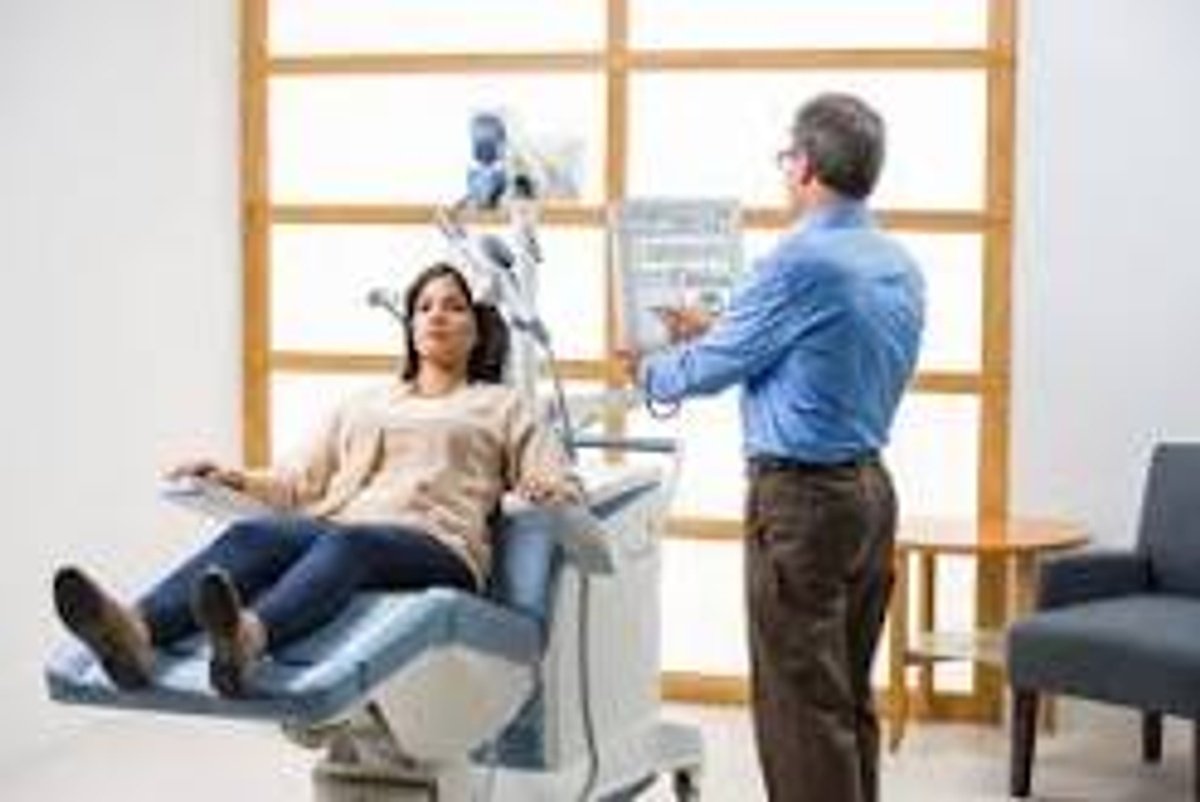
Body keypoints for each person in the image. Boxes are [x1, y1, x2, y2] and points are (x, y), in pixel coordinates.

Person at [52, 262, 580, 697]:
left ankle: (248, 638)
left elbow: (552, 477)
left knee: (351, 543)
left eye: (454, 306)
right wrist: (232, 477)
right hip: (345, 533)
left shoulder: (502, 405)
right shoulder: (364, 403)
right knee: (252, 535)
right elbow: (295, 480)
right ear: (411, 329)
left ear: (477, 330)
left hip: (438, 547)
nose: (436, 315)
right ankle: (134, 632)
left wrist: (545, 488)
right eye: (423, 307)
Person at [625, 93, 924, 802]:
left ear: (807, 166)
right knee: (845, 694)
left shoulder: (799, 261)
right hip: (870, 494)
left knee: (801, 709)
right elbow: (813, 349)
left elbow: (708, 370)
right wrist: (720, 328)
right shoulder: (896, 263)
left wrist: (646, 369)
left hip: (802, 501)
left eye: (787, 156)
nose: (784, 169)